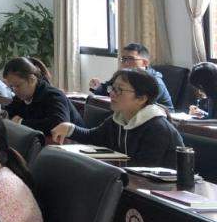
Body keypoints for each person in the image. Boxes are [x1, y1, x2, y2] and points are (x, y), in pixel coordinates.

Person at [51, 68, 184, 168]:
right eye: (112, 88)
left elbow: (143, 169)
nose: (112, 94)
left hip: (161, 191)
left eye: (119, 90)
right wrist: (70, 128)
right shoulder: (119, 119)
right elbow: (93, 136)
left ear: (142, 98)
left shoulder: (157, 128)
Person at [2, 57, 83, 136]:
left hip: (74, 142)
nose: (14, 90)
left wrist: (21, 123)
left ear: (32, 80)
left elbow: (59, 123)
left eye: (17, 86)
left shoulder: (53, 96)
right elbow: (8, 113)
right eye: (11, 87)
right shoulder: (20, 97)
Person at [88, 43, 173, 110]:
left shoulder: (154, 83)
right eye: (124, 59)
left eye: (131, 59)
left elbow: (139, 105)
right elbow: (109, 88)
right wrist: (98, 87)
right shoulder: (123, 75)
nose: (125, 63)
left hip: (159, 119)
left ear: (145, 63)